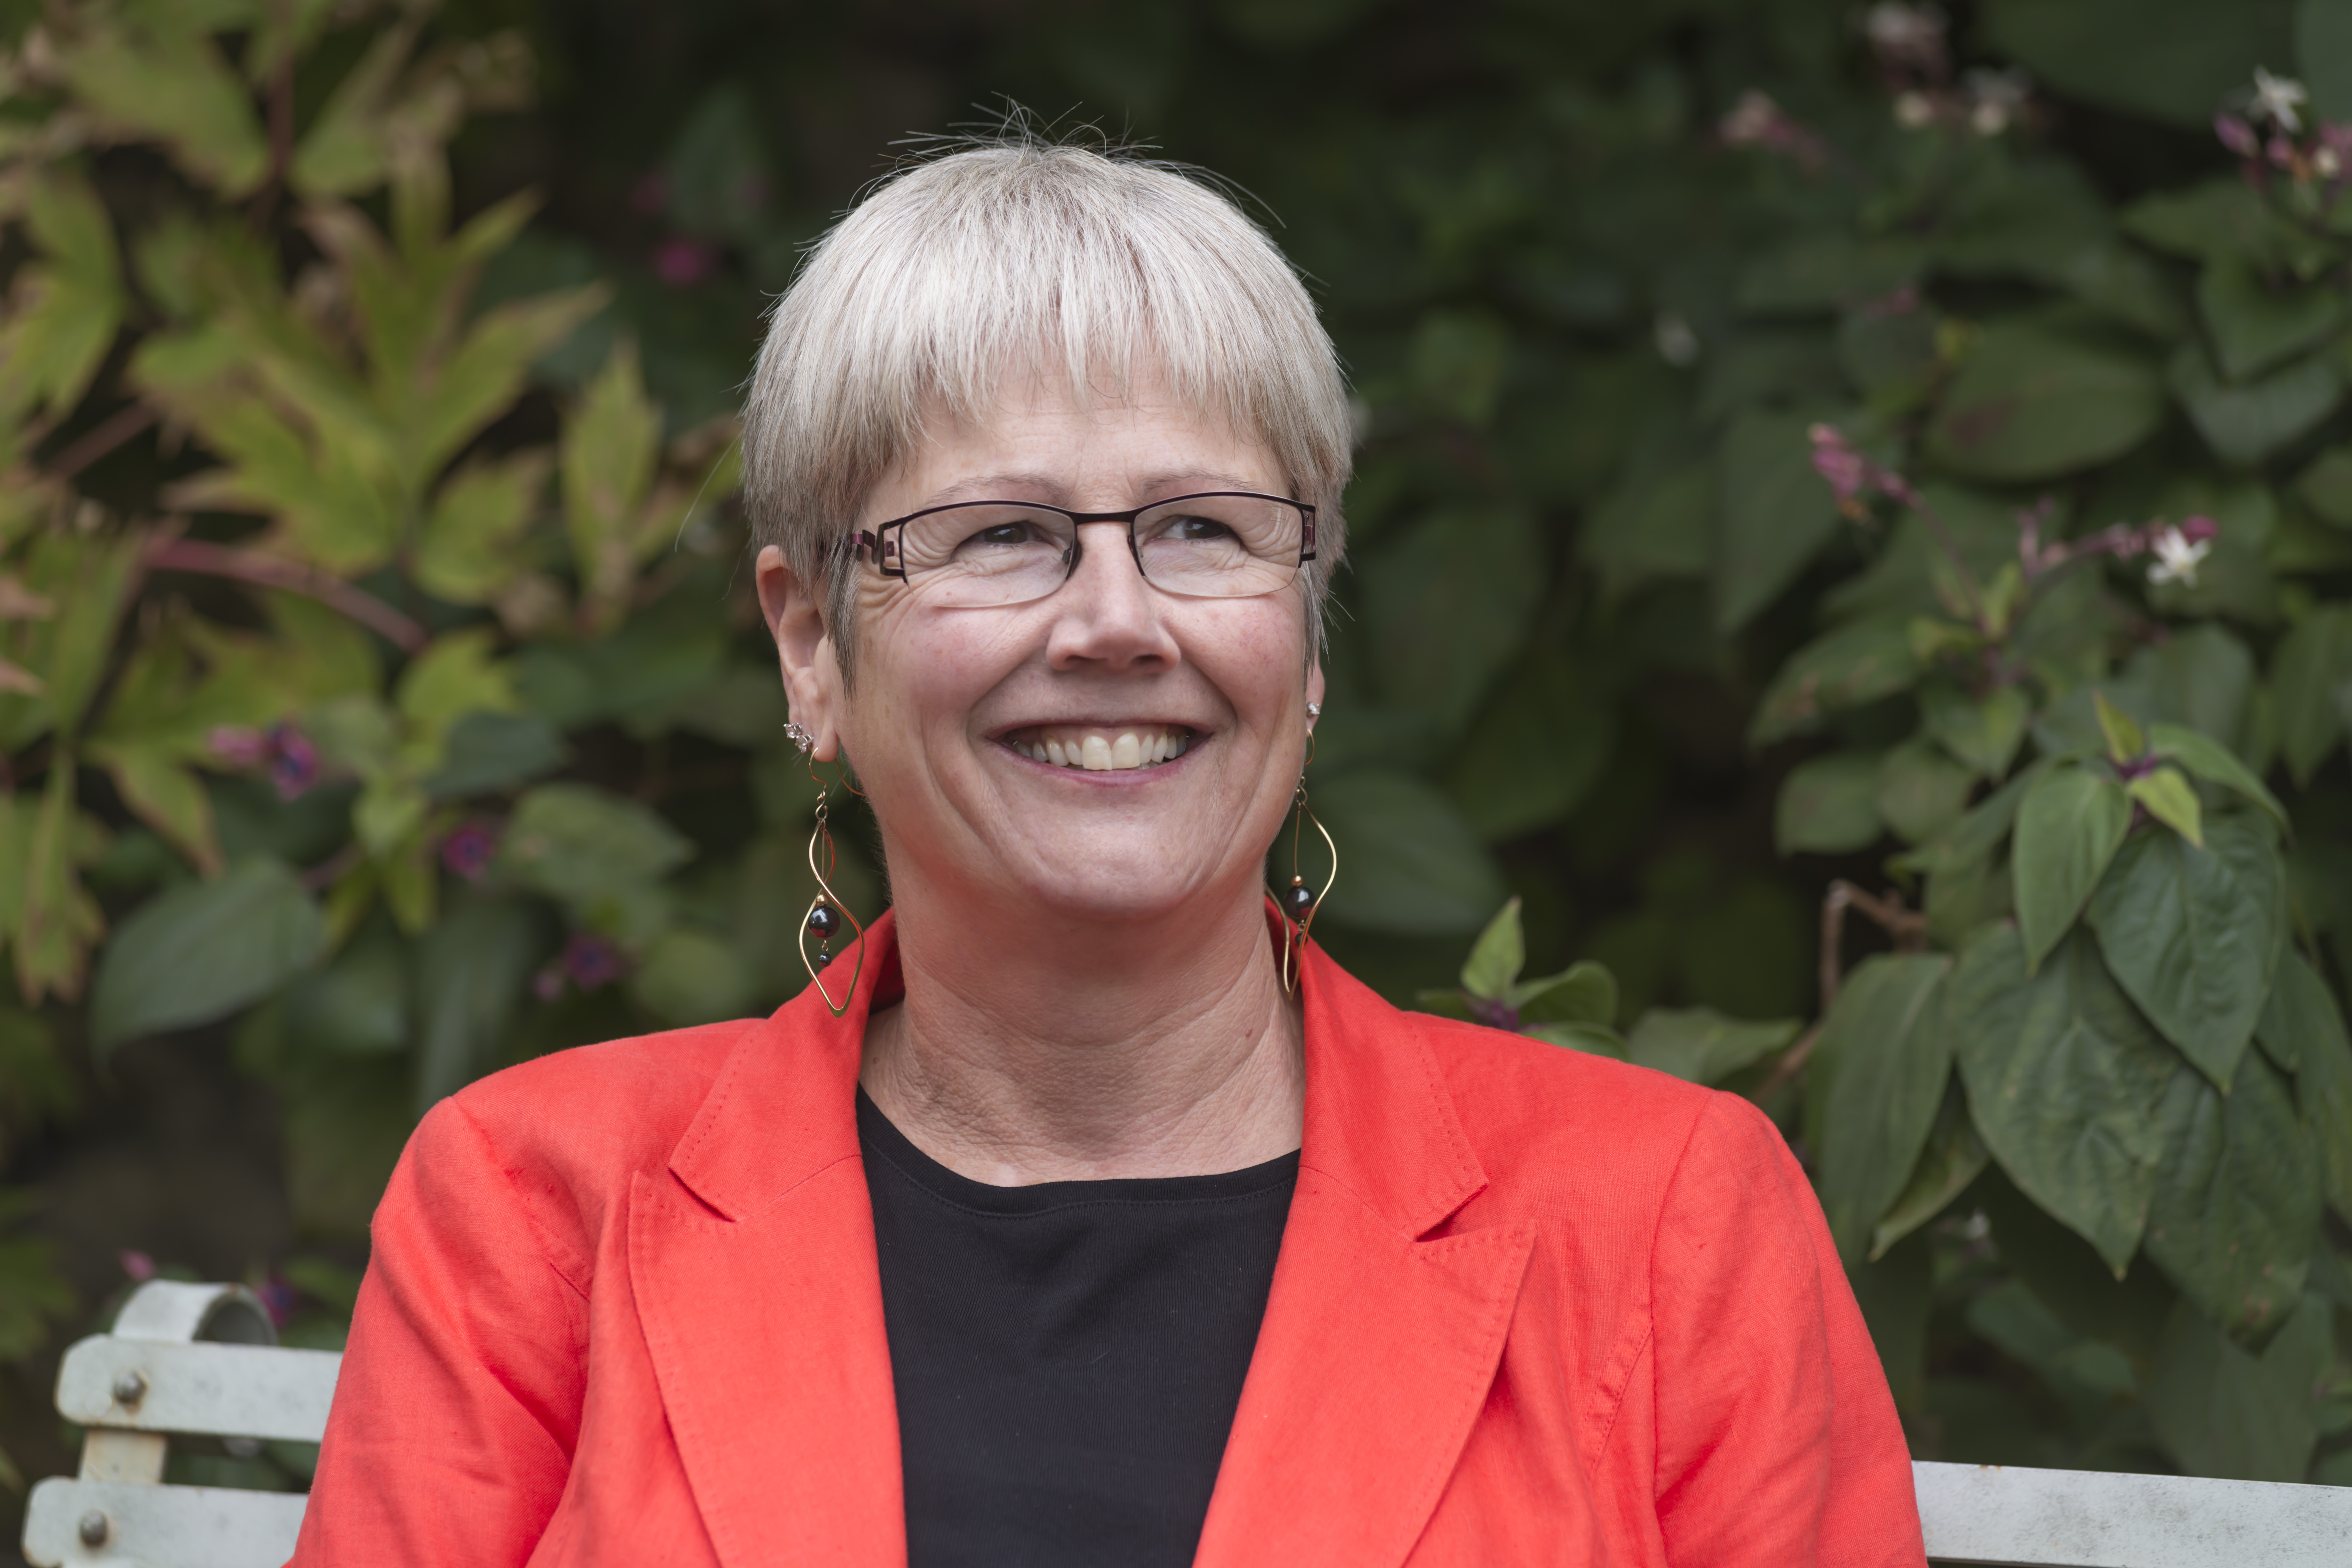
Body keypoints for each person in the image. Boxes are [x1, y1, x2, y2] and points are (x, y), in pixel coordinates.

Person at [292, 136, 1925, 1568]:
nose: (1116, 622)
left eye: (1202, 529)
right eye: (1002, 533)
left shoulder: (1666, 1220)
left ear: (1309, 630)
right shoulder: (530, 1208)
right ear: (809, 646)